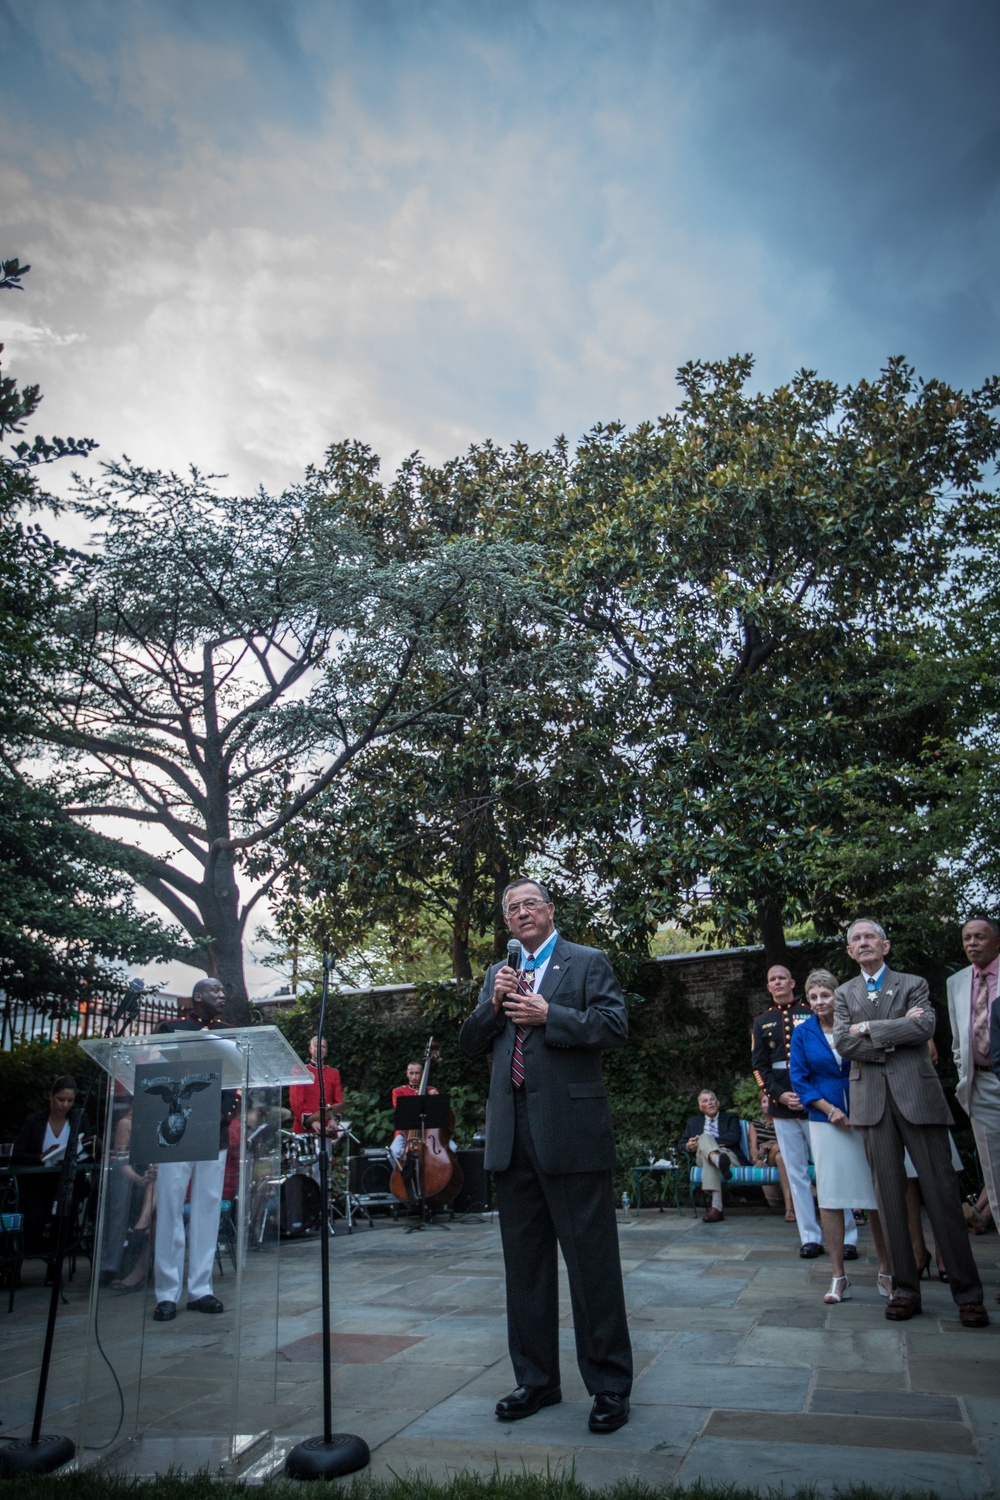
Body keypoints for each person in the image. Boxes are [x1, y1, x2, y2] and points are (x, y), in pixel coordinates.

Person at [459, 878, 632, 1435]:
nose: (521, 912)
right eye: (512, 908)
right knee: (525, 1270)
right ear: (507, 923)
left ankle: (608, 1387)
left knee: (592, 1268)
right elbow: (470, 1041)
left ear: (550, 911)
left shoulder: (586, 962)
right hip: (512, 1140)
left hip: (572, 1134)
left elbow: (613, 1027)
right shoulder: (498, 974)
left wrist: (549, 1015)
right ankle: (536, 1381)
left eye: (530, 903)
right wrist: (495, 1006)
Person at [833, 918, 989, 1327]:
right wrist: (893, 1033)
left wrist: (868, 1028)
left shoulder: (913, 983)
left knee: (941, 1195)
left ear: (886, 945)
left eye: (870, 937)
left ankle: (968, 1294)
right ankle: (904, 1289)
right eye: (856, 939)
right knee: (889, 1199)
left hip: (918, 1098)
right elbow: (844, 1043)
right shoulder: (843, 993)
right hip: (871, 1104)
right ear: (850, 951)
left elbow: (924, 1026)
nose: (863, 943)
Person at [789, 969, 892, 1304]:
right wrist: (829, 1110)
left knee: (875, 1196)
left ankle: (886, 1271)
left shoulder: (855, 1024)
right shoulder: (803, 1033)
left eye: (826, 995)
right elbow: (800, 1080)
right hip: (826, 1122)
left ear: (838, 995)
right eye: (814, 996)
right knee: (831, 1198)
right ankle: (838, 1276)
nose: (820, 1002)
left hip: (866, 1114)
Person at [752, 965, 859, 1261]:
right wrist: (778, 1095)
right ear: (768, 986)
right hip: (783, 1106)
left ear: (792, 982)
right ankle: (810, 1236)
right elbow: (759, 1067)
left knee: (832, 1170)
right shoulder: (762, 1022)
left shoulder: (810, 1013)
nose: (777, 983)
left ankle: (848, 1235)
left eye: (782, 978)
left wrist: (808, 1096)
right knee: (796, 1173)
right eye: (772, 979)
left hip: (816, 1103)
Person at [151, 978, 236, 1323]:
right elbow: (163, 1073)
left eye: (223, 990)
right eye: (215, 990)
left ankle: (201, 1288)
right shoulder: (172, 1028)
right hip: (177, 1129)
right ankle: (166, 1292)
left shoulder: (231, 1032)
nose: (222, 995)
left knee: (208, 1207)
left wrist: (224, 1113)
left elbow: (234, 1081)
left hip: (213, 1130)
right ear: (198, 996)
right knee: (171, 1205)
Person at [947, 918, 1000, 1244]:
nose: (972, 943)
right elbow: (957, 1039)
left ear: (996, 942)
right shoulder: (957, 982)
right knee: (994, 1177)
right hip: (981, 1085)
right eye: (967, 938)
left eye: (980, 937)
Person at [12, 1076, 93, 1256]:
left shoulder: (79, 1119)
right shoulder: (35, 1121)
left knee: (65, 1216)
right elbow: (17, 1154)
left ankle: (55, 1260)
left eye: (69, 1101)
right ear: (51, 1096)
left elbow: (88, 1148)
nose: (64, 1105)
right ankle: (38, 1252)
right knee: (32, 1220)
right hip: (38, 1183)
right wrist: (40, 1157)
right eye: (61, 1099)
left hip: (67, 1183)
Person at [677, 1090, 748, 1222]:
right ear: (700, 1107)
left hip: (728, 1155)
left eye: (712, 1099)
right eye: (705, 1101)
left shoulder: (730, 1117)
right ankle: (717, 1159)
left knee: (706, 1147)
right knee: (705, 1140)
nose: (709, 1103)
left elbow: (734, 1137)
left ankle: (716, 1209)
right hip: (702, 1156)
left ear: (718, 1103)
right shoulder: (693, 1122)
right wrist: (689, 1145)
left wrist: (705, 1143)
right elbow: (680, 1145)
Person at [748, 1093, 794, 1219]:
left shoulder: (783, 1122)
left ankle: (789, 1209)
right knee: (777, 1148)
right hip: (765, 1159)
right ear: (760, 1105)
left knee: (780, 1156)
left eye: (769, 1102)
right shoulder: (755, 1124)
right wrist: (755, 1160)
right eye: (763, 1102)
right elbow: (753, 1147)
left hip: (784, 1156)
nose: (767, 1104)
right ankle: (807, 1191)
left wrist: (772, 1145)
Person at [289, 1036, 344, 1136]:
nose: (320, 1049)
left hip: (327, 1130)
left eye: (323, 1046)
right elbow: (296, 1101)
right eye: (316, 1046)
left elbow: (338, 1101)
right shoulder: (300, 1070)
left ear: (326, 1051)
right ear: (310, 1049)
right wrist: (312, 1121)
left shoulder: (334, 1073)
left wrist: (334, 1120)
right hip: (305, 1131)